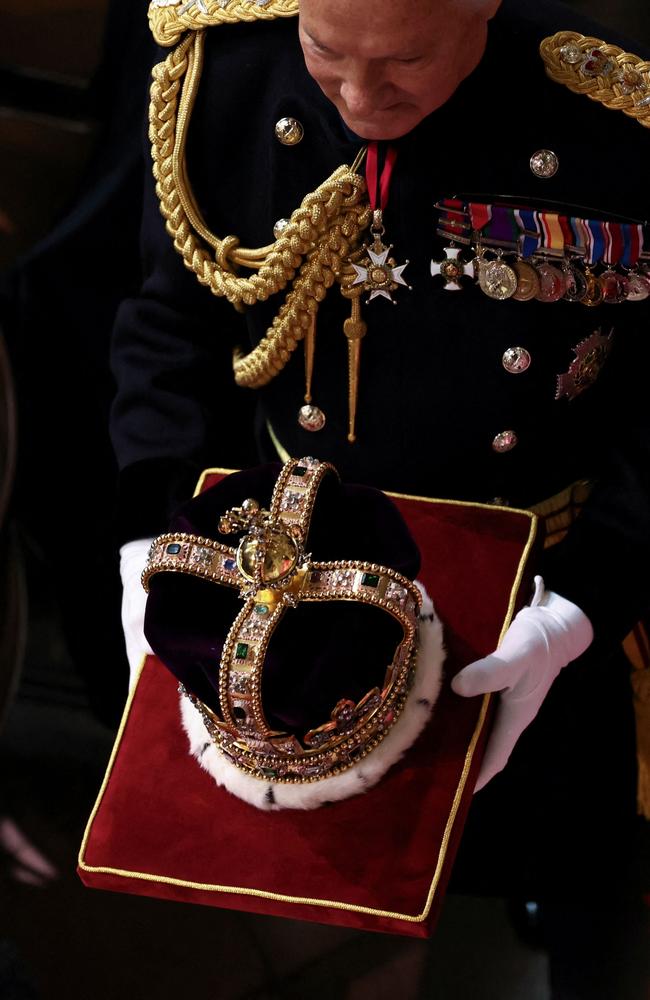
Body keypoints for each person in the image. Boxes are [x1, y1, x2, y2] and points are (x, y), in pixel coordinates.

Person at [111, 0, 650, 994]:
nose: (362, 98)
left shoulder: (609, 114)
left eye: (404, 60)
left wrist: (584, 602)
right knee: (323, 924)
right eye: (326, 53)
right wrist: (149, 531)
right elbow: (166, 328)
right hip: (292, 584)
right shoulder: (224, 71)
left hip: (542, 567)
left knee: (587, 907)